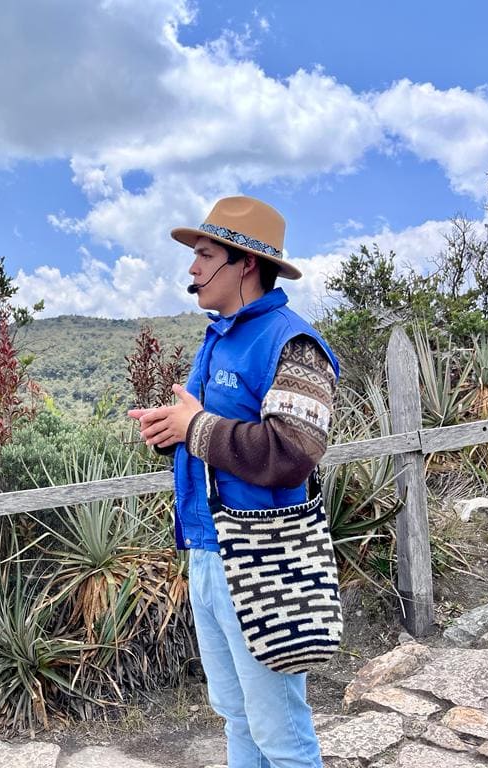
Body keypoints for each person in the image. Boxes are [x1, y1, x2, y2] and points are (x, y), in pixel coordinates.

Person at [129, 197, 339, 768]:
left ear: (245, 263)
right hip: (205, 551)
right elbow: (216, 434)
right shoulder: (219, 337)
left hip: (264, 555)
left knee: (281, 733)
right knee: (237, 716)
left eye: (204, 255)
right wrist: (173, 431)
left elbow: (293, 452)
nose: (192, 269)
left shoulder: (291, 344)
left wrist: (195, 426)